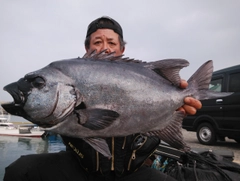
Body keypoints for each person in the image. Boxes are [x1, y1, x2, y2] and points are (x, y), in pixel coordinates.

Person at [4, 16, 202, 181]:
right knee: (20, 169)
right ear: (87, 48)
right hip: (80, 170)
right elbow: (50, 115)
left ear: (122, 49)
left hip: (132, 173)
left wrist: (174, 105)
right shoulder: (67, 72)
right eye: (97, 42)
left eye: (112, 42)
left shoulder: (143, 78)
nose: (105, 48)